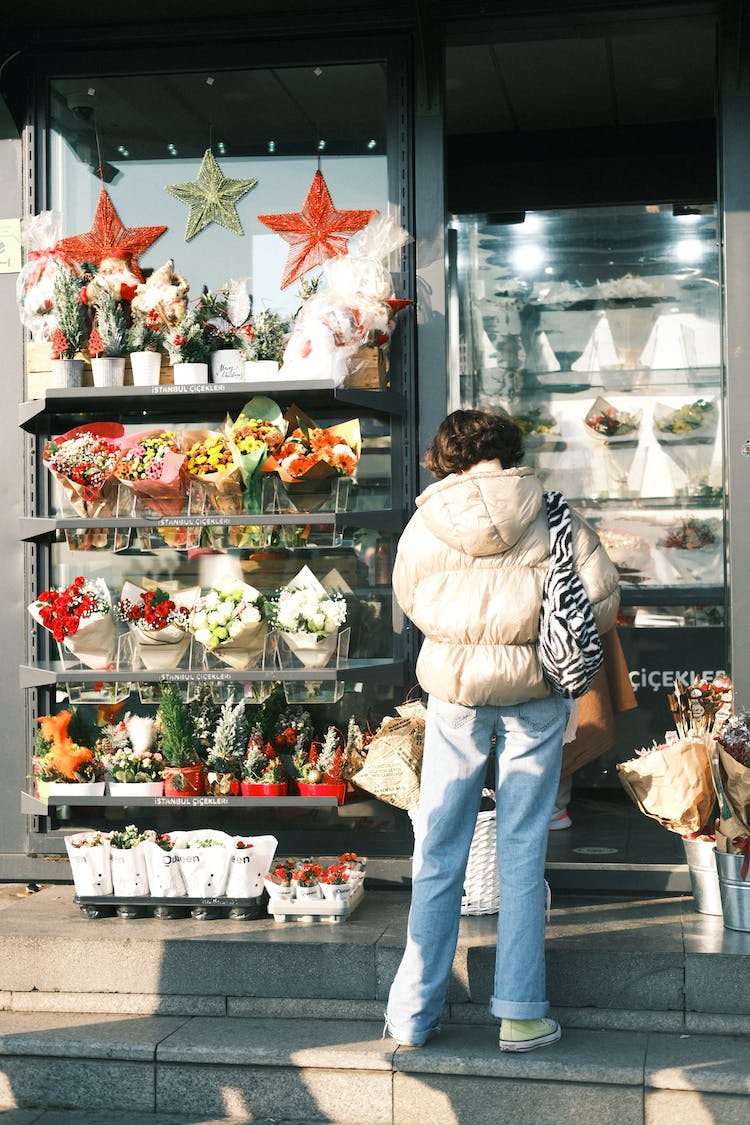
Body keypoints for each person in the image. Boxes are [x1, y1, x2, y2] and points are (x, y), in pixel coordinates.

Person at [384, 409, 620, 1052]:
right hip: (535, 696)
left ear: (446, 457)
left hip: (456, 696)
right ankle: (519, 1014)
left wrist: (460, 634)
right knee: (521, 849)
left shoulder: (426, 519)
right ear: (508, 450)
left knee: (437, 849)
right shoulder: (552, 511)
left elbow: (409, 599)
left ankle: (412, 1014)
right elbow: (601, 600)